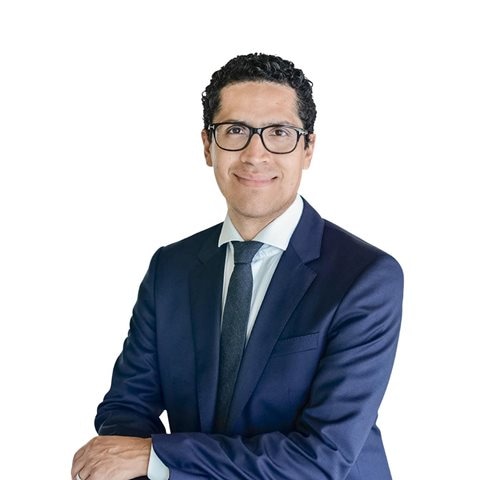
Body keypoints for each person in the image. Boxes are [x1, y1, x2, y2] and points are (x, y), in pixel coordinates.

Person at [71, 53, 403, 480]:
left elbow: (322, 457)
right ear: (207, 146)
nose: (254, 154)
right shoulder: (170, 269)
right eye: (235, 131)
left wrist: (157, 458)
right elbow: (127, 408)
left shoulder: (364, 277)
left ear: (308, 149)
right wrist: (126, 459)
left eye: (279, 133)